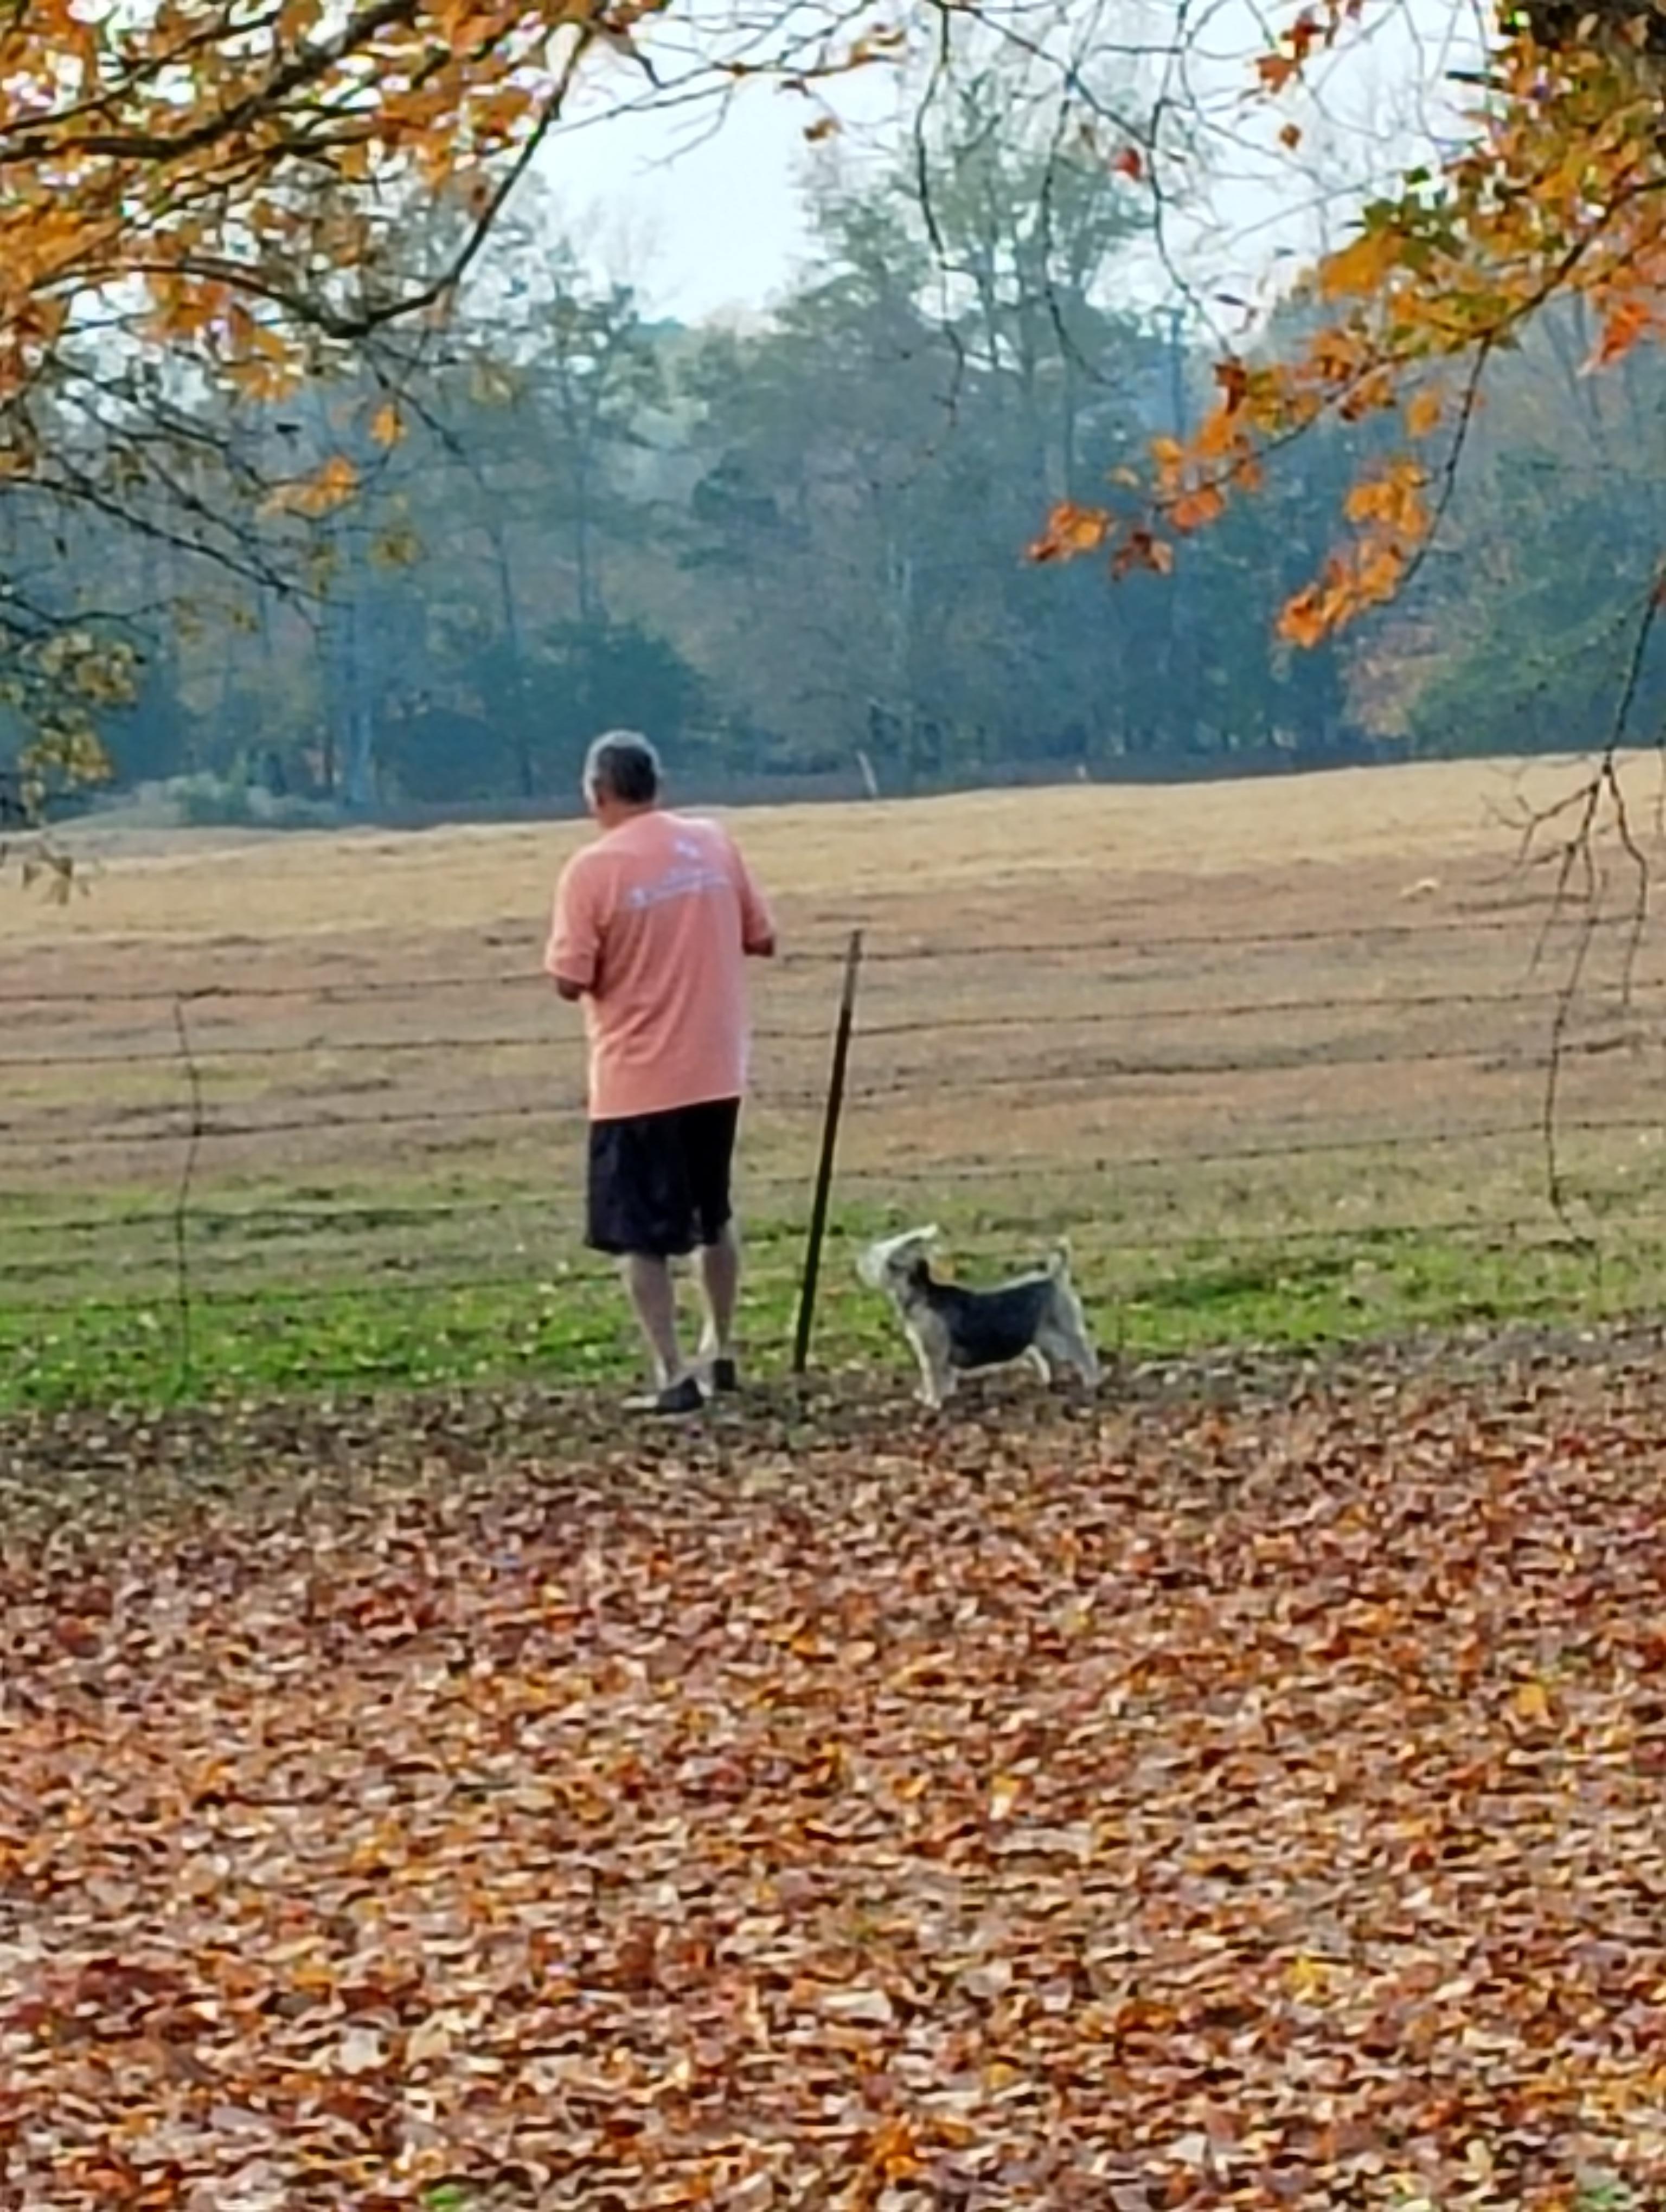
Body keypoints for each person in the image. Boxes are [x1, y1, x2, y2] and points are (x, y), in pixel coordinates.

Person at [546, 731, 776, 1413]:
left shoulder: (592, 870)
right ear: (658, 784)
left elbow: (570, 977)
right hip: (717, 1066)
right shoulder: (712, 843)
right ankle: (720, 1346)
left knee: (639, 1235)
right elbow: (760, 935)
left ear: (598, 793)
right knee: (713, 1213)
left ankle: (672, 1374)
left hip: (638, 1079)